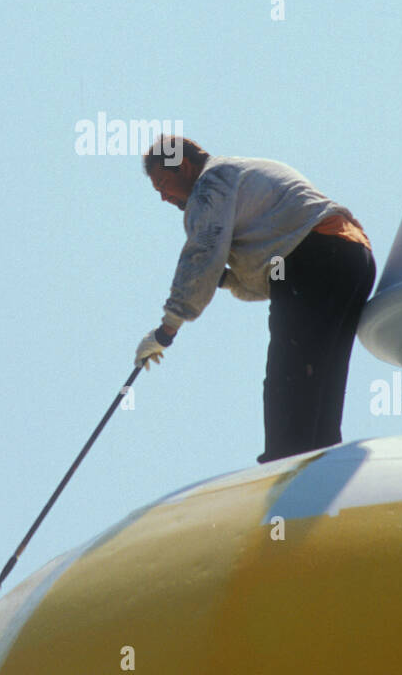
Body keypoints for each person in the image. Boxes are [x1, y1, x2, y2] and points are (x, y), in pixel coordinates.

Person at [135, 136, 376, 461]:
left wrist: (167, 329)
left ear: (184, 165)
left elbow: (203, 252)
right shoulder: (239, 175)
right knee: (321, 377)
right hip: (351, 258)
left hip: (316, 257)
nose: (163, 197)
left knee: (288, 378)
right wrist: (226, 277)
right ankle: (319, 466)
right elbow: (263, 278)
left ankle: (284, 472)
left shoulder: (211, 183)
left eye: (164, 183)